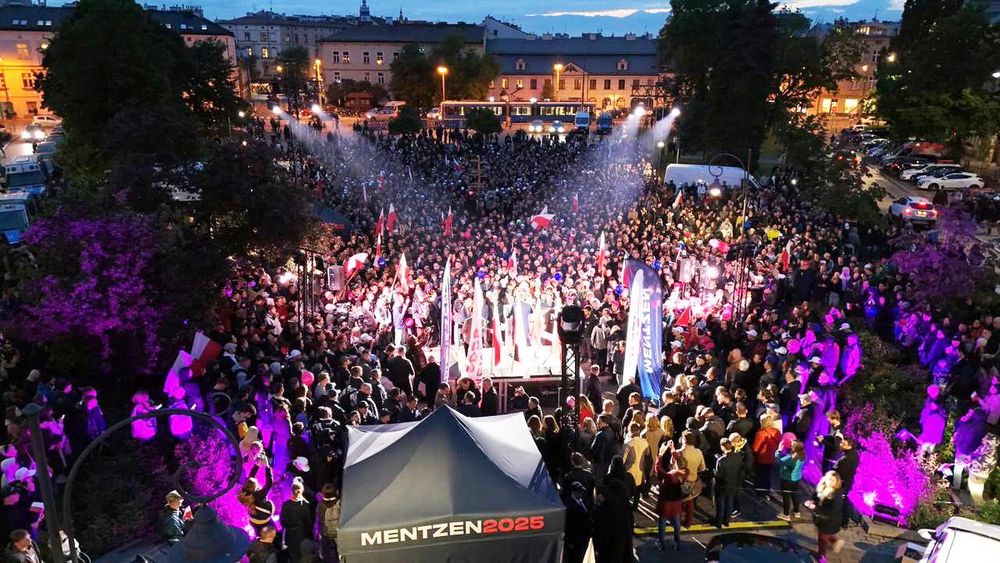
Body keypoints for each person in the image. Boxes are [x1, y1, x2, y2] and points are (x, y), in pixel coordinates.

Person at [805, 471, 845, 562]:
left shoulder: (836, 495)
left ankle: (822, 557)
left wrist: (815, 508)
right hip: (822, 519)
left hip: (830, 521)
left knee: (822, 539)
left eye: (832, 480)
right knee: (824, 535)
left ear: (837, 482)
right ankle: (835, 542)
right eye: (828, 479)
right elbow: (816, 497)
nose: (830, 481)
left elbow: (829, 512)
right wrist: (812, 501)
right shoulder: (822, 487)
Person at [654, 450, 687, 551]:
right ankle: (677, 542)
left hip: (666, 501)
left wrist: (660, 455)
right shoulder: (686, 472)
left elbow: (658, 469)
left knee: (662, 521)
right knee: (676, 521)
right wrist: (673, 450)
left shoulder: (670, 475)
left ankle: (661, 542)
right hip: (676, 501)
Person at [591, 484, 631, 563]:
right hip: (618, 542)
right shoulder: (616, 504)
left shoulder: (604, 508)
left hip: (608, 544)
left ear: (600, 495)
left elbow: (601, 528)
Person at [677, 430, 705, 527]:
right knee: (690, 502)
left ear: (684, 440)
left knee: (678, 502)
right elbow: (702, 468)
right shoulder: (699, 452)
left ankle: (678, 521)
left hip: (680, 482)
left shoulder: (679, 453)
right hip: (693, 481)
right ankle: (688, 523)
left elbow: (672, 467)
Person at [280, 480, 312, 563]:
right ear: (302, 491)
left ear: (291, 491)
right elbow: (308, 522)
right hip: (302, 534)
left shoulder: (285, 504)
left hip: (290, 535)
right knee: (304, 555)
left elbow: (282, 522)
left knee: (294, 557)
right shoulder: (305, 505)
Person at [713, 438, 741, 528]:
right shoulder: (738, 457)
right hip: (733, 483)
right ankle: (726, 521)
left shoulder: (721, 460)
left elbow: (718, 475)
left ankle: (718, 523)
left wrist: (714, 471)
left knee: (720, 504)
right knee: (729, 503)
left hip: (722, 485)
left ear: (722, 446)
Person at [623, 421, 650, 509]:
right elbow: (648, 454)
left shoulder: (628, 444)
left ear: (630, 431)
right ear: (638, 431)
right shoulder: (645, 442)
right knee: (638, 490)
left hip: (629, 472)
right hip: (640, 471)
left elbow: (623, 460)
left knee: (627, 491)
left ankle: (626, 506)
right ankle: (635, 506)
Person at [751, 414, 780, 496]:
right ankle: (766, 491)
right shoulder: (777, 432)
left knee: (760, 475)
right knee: (767, 475)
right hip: (771, 457)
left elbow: (756, 448)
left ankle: (759, 492)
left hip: (762, 459)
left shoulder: (760, 434)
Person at [562, 482, 591, 563]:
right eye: (579, 491)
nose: (581, 493)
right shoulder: (570, 505)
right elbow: (570, 524)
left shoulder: (580, 502)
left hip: (581, 538)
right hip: (574, 540)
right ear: (574, 492)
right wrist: (570, 541)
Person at [777, 440, 805, 521]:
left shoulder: (791, 458)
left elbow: (779, 461)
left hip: (787, 479)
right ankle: (796, 511)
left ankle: (786, 514)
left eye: (792, 445)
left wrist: (779, 450)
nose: (790, 446)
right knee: (794, 494)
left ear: (795, 448)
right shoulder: (803, 455)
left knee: (786, 496)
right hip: (797, 478)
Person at [317, 484, 341, 563]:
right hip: (337, 536)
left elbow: (319, 522)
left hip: (326, 536)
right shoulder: (339, 505)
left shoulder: (320, 505)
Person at [590, 414, 616, 483]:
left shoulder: (600, 434)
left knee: (598, 480)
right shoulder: (610, 431)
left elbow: (594, 449)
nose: (597, 424)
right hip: (607, 461)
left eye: (599, 422)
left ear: (604, 423)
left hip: (599, 462)